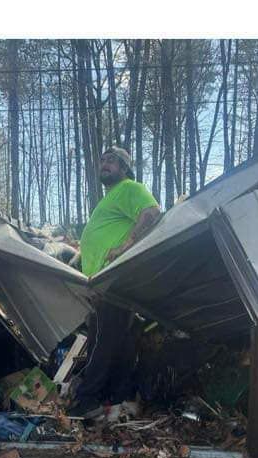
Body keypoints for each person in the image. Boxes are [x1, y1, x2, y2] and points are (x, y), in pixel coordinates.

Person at [69, 146, 161, 417]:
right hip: (101, 283)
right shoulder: (110, 198)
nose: (105, 164)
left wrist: (126, 246)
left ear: (124, 168)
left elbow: (152, 212)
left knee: (102, 339)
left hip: (112, 282)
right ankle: (118, 395)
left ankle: (86, 401)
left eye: (112, 161)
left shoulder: (129, 188)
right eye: (103, 160)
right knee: (117, 341)